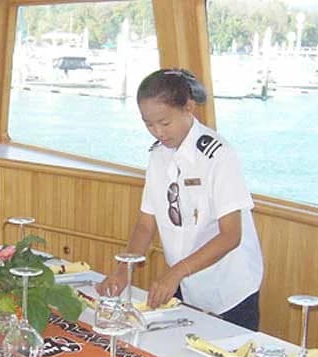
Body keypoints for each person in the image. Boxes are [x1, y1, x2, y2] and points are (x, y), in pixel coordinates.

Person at [98, 68, 263, 330]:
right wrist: (122, 271)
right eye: (148, 124)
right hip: (185, 284)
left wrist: (175, 273)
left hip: (229, 289)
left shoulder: (218, 155)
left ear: (189, 108)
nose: (158, 132)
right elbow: (145, 225)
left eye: (164, 123)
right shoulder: (158, 155)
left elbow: (231, 235)